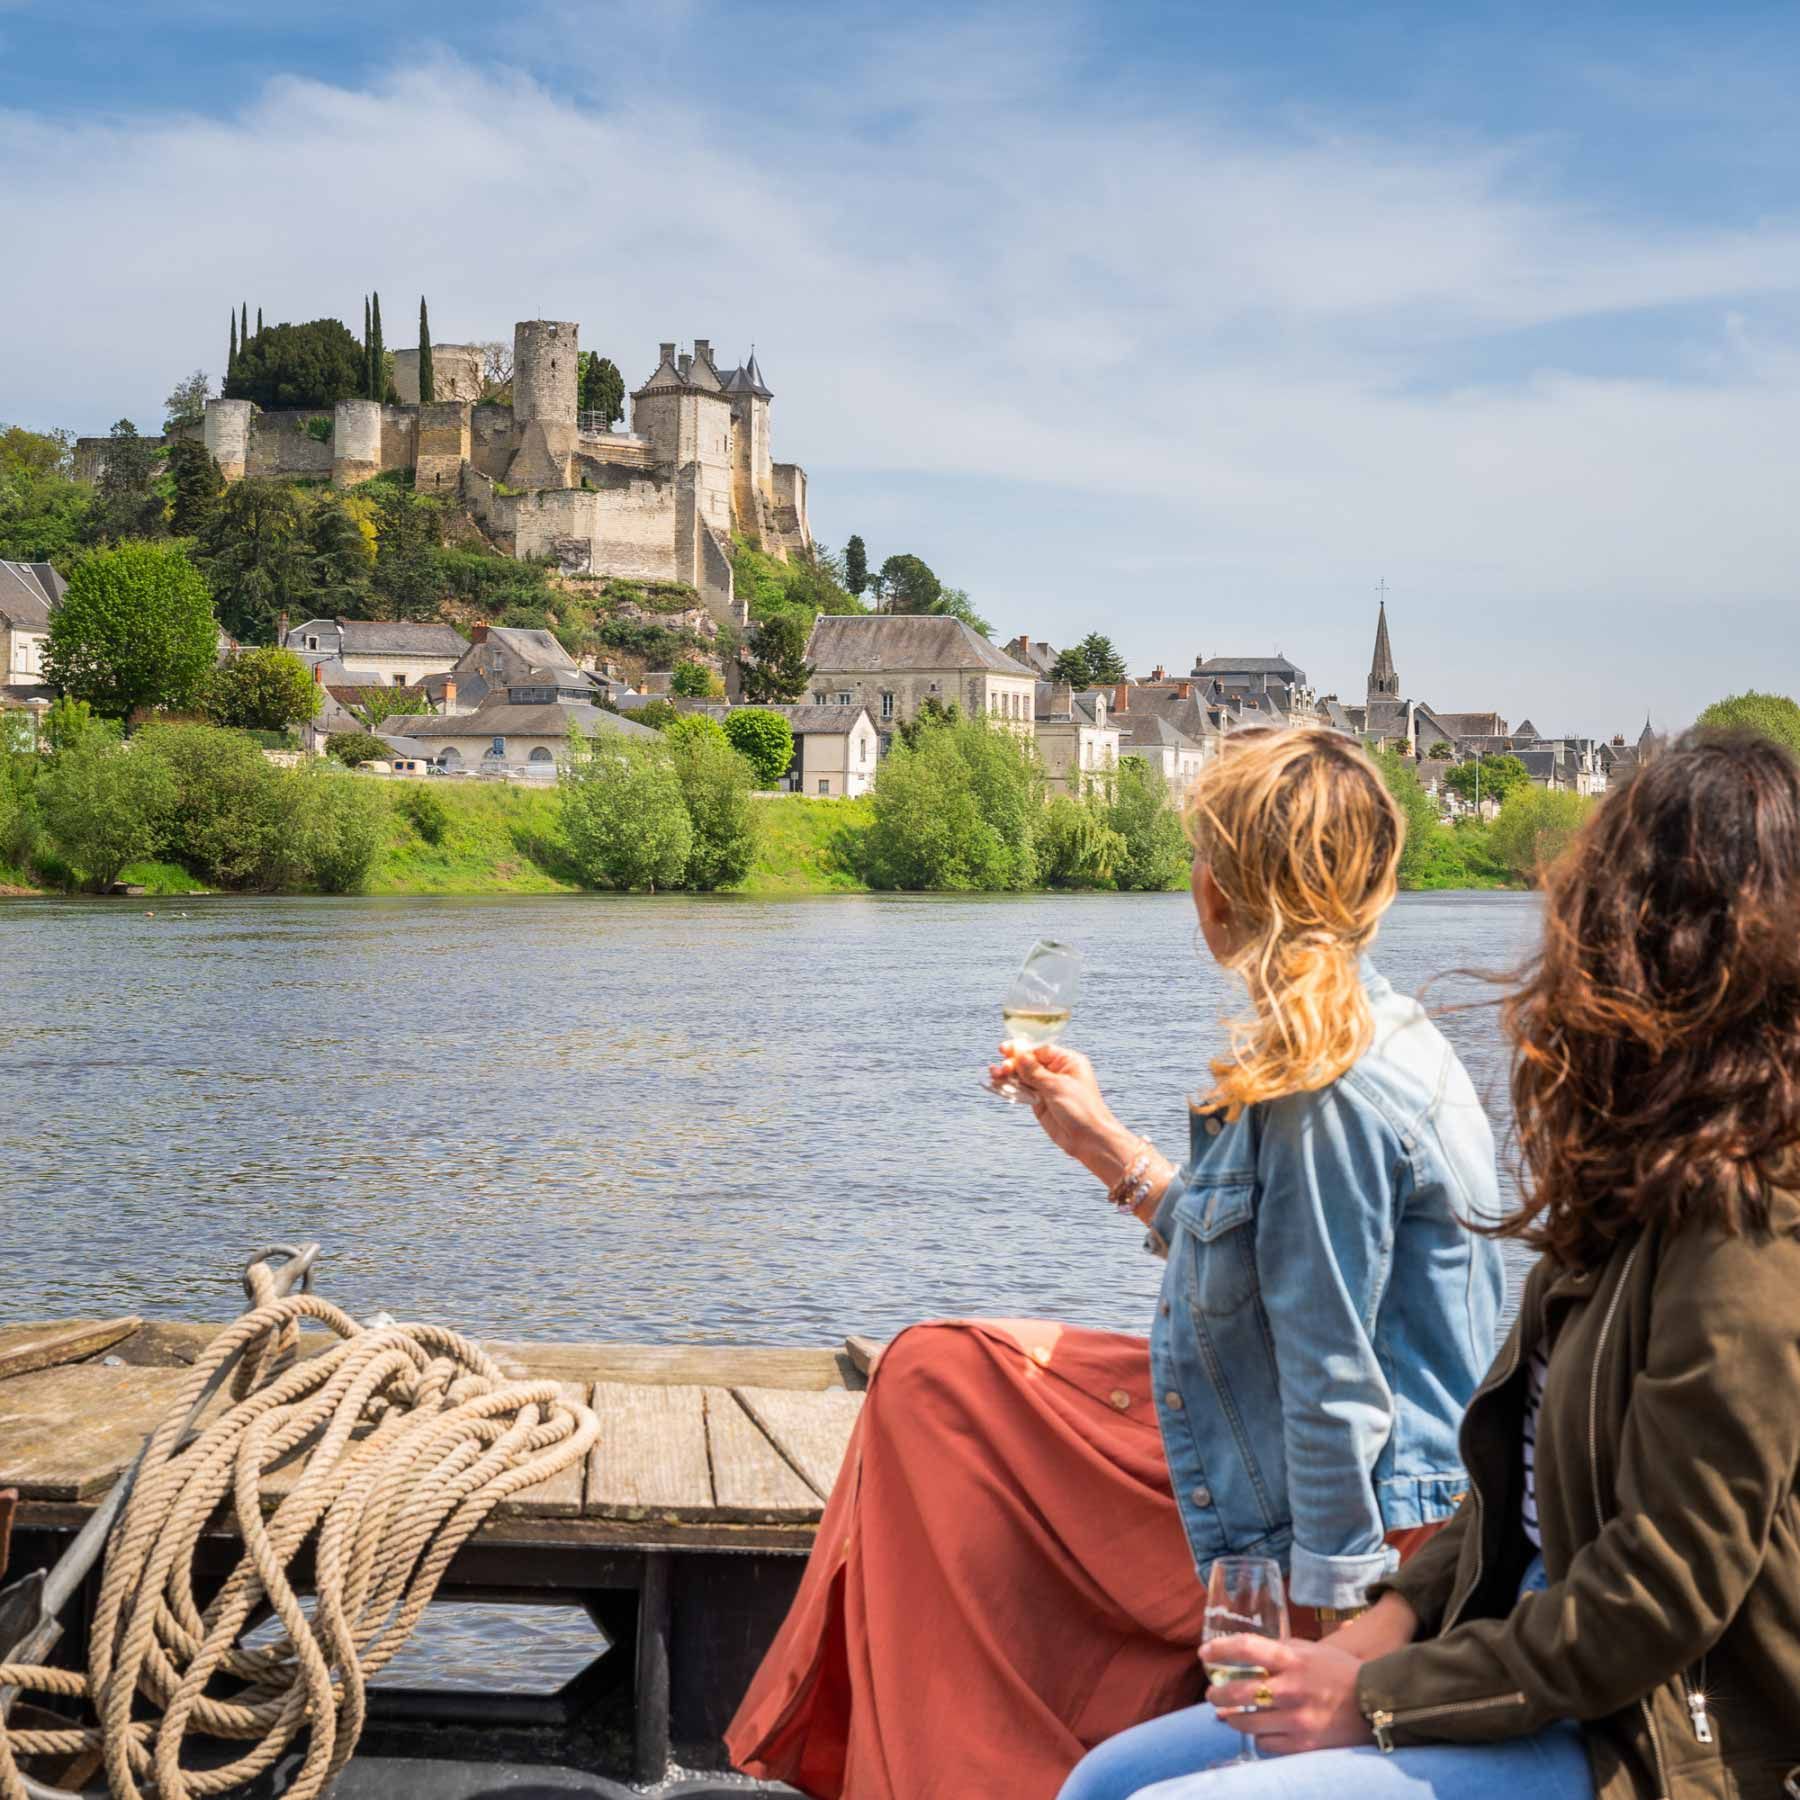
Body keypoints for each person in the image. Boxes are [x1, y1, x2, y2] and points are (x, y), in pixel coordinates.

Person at [726, 727, 1504, 1799]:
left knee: (935, 1398)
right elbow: (1274, 1282)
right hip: (1267, 1437)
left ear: (1221, 893)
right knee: (938, 1374)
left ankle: (973, 1769)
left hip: (1359, 1527)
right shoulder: (1357, 1039)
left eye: (1202, 856)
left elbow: (1334, 1391)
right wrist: (1103, 1146)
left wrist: (1332, 1644)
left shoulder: (1326, 1092)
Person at [1060, 728, 1800, 1800]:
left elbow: (1655, 1599)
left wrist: (1371, 1689)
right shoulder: (1635, 1189)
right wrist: (1388, 1630)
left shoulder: (1747, 1230)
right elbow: (1518, 1491)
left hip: (1642, 1742)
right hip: (1507, 1645)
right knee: (1103, 1784)